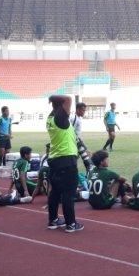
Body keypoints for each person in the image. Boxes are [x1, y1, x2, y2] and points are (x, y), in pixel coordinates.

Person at [46, 95, 83, 232]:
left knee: (55, 192)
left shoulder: (50, 118)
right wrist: (53, 97)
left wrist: (54, 101)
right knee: (69, 192)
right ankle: (71, 224)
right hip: (66, 159)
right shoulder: (60, 118)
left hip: (54, 159)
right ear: (62, 106)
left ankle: (53, 220)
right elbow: (68, 99)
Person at [71, 102, 92, 171]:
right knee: (86, 160)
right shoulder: (73, 118)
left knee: (84, 159)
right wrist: (83, 146)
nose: (84, 112)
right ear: (77, 110)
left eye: (85, 110)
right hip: (74, 143)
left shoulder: (78, 118)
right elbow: (71, 133)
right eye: (83, 110)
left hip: (77, 142)